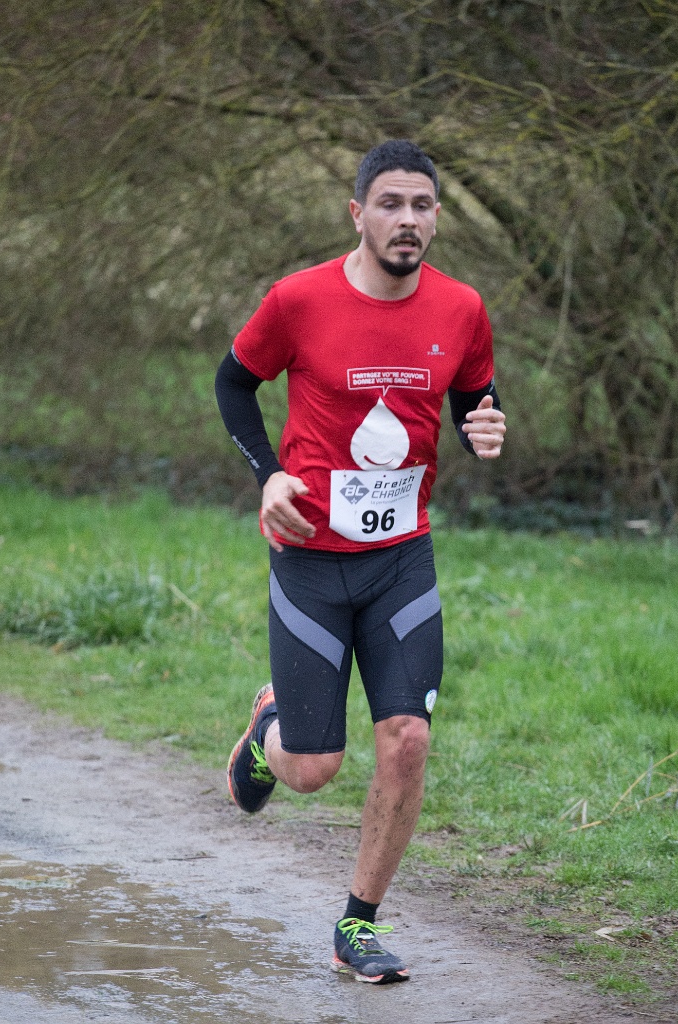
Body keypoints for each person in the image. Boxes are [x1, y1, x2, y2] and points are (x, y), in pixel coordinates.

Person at [214, 139, 506, 984]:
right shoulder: (299, 299)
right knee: (314, 769)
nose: (407, 220)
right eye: (390, 204)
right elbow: (233, 383)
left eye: (421, 206)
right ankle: (270, 733)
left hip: (401, 560)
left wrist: (484, 425)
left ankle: (360, 924)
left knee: (407, 739)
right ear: (358, 214)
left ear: (436, 217)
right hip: (310, 557)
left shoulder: (462, 308)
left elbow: (472, 398)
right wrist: (269, 477)